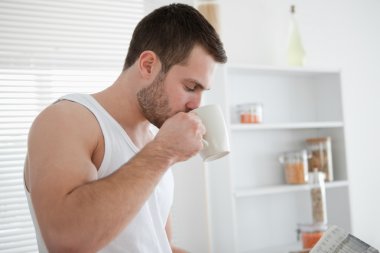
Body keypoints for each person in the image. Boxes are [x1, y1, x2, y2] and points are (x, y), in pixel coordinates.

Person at [24, 3, 227, 253]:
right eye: (189, 87)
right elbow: (65, 239)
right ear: (148, 65)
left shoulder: (154, 141)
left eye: (202, 91)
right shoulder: (66, 119)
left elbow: (158, 243)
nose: (196, 104)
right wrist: (164, 153)